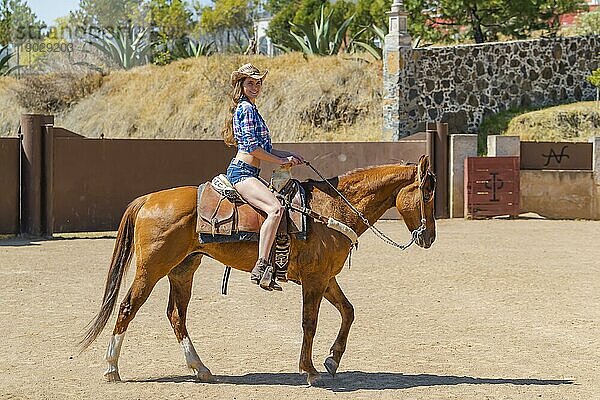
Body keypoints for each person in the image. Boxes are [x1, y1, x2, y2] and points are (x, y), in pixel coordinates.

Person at [222, 63, 304, 291]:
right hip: (242, 172)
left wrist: (288, 154)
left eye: (258, 83)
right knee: (275, 209)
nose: (255, 86)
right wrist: (281, 161)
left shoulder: (252, 109)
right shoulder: (246, 109)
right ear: (241, 85)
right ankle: (261, 266)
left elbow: (265, 148)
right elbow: (253, 148)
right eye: (250, 83)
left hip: (251, 172)